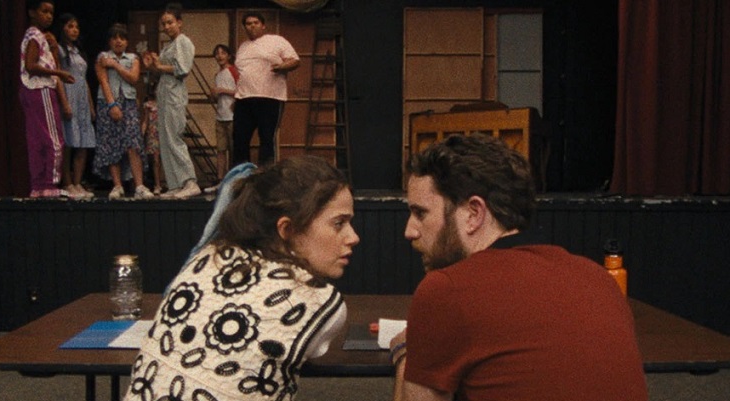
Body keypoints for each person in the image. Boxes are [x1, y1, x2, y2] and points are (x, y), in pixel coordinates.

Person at [391, 134, 648, 401]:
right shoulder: (598, 278)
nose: (410, 230)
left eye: (420, 213)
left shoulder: (446, 290)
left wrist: (406, 355)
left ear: (473, 213)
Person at [124, 155, 359, 401]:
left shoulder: (209, 257)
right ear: (287, 229)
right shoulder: (317, 300)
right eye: (339, 223)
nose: (353, 237)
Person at [141, 3, 201, 199]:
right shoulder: (169, 46)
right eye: (164, 24)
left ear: (179, 22)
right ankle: (176, 183)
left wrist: (160, 66)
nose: (166, 27)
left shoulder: (183, 42)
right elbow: (162, 71)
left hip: (175, 95)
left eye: (170, 22)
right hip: (164, 94)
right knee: (165, 140)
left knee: (174, 137)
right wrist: (152, 66)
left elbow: (183, 69)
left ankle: (190, 181)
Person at [19, 0, 74, 198]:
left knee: (38, 140)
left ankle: (38, 186)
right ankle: (50, 184)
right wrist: (59, 73)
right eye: (44, 11)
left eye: (51, 12)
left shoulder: (36, 36)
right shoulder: (35, 35)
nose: (49, 16)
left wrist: (52, 48)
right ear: (32, 13)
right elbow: (31, 65)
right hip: (41, 89)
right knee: (54, 139)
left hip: (31, 90)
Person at [94, 23, 154, 200]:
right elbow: (103, 81)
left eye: (122, 38)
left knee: (133, 142)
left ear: (127, 41)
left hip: (128, 103)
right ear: (109, 41)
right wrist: (112, 105)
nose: (118, 41)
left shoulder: (133, 58)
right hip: (108, 102)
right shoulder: (103, 57)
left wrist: (116, 65)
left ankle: (139, 185)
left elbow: (134, 78)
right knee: (111, 141)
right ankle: (117, 185)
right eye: (114, 38)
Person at [231, 12, 299, 166]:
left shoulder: (276, 41)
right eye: (248, 24)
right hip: (244, 98)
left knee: (267, 138)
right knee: (239, 138)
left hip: (270, 97)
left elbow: (295, 60)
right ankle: (242, 175)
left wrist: (281, 66)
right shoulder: (243, 47)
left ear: (263, 25)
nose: (252, 26)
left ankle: (267, 174)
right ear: (245, 27)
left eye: (255, 23)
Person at [54, 13, 95, 198]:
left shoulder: (79, 51)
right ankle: (68, 183)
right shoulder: (59, 50)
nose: (74, 30)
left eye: (76, 27)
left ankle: (78, 182)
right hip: (69, 96)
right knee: (69, 141)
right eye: (70, 26)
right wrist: (64, 103)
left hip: (82, 99)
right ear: (62, 28)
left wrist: (91, 105)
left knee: (83, 142)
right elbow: (57, 77)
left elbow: (84, 80)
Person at [206, 43, 238, 192]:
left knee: (233, 149)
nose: (220, 56)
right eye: (217, 53)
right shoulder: (217, 75)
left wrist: (223, 90)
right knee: (220, 149)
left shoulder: (233, 71)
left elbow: (242, 91)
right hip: (220, 116)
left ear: (229, 56)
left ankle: (234, 180)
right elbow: (216, 97)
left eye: (223, 53)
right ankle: (221, 179)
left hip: (232, 116)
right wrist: (213, 95)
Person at [140, 89, 164, 194]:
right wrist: (142, 133)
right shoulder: (148, 105)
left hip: (163, 132)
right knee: (155, 159)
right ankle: (157, 184)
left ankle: (169, 182)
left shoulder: (164, 102)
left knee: (165, 159)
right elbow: (145, 120)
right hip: (153, 133)